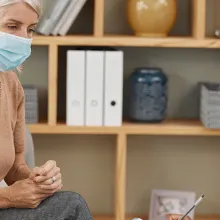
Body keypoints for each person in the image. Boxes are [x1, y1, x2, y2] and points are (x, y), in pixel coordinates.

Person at [0, 0, 92, 219]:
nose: (24, 38)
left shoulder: (11, 84)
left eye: (30, 29)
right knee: (71, 206)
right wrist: (8, 197)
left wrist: (38, 179)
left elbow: (14, 169)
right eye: (12, 26)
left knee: (69, 204)